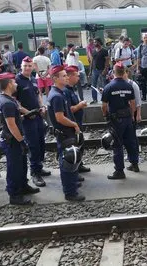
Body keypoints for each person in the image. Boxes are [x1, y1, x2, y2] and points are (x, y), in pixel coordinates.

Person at [0, 73, 40, 205]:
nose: (16, 84)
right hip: (13, 141)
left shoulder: (9, 99)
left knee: (21, 164)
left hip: (15, 139)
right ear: (9, 84)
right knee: (14, 167)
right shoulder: (7, 103)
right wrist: (21, 141)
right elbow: (11, 125)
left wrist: (26, 114)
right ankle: (14, 194)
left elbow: (15, 117)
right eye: (14, 82)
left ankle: (23, 186)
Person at [46, 66, 85, 202]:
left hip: (65, 133)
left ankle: (71, 184)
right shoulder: (56, 96)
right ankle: (70, 192)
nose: (67, 77)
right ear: (55, 79)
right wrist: (74, 125)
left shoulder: (59, 92)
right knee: (68, 160)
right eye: (63, 76)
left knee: (70, 159)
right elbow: (60, 118)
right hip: (65, 133)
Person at [15, 57, 50, 187]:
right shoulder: (17, 81)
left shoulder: (34, 80)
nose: (28, 68)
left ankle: (39, 167)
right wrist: (27, 112)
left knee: (41, 143)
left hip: (38, 117)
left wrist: (43, 106)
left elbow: (38, 94)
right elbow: (15, 102)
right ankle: (35, 173)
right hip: (27, 119)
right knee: (33, 145)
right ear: (21, 67)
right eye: (25, 66)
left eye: (30, 66)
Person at [102, 62, 139, 179]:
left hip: (116, 119)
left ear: (113, 72)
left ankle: (119, 171)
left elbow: (103, 105)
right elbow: (133, 103)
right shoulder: (129, 86)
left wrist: (106, 115)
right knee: (131, 142)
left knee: (117, 144)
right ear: (124, 72)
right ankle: (134, 164)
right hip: (128, 117)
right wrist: (132, 115)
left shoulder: (109, 87)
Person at [64, 65, 91, 174]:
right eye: (76, 76)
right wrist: (80, 105)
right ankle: (75, 170)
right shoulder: (66, 91)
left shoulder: (70, 89)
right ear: (69, 77)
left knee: (79, 144)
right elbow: (68, 110)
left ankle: (79, 165)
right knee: (75, 146)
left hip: (77, 122)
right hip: (72, 124)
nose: (78, 78)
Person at [90, 38, 109, 104]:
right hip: (94, 70)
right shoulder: (93, 51)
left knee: (103, 85)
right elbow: (92, 61)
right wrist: (90, 70)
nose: (94, 43)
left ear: (99, 42)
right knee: (93, 85)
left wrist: (105, 69)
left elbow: (107, 61)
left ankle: (104, 99)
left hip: (102, 70)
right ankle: (94, 99)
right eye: (94, 42)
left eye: (95, 42)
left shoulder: (104, 51)